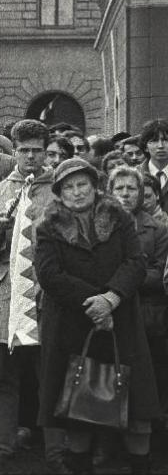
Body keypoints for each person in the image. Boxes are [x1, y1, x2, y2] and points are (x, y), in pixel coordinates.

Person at [35, 158, 159, 475]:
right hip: (72, 328)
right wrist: (94, 303)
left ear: (95, 186)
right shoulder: (47, 227)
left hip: (122, 325)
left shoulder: (118, 218)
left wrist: (111, 298)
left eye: (83, 185)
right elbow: (50, 275)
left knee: (136, 414)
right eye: (69, 187)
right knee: (79, 411)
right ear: (59, 193)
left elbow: (136, 262)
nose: (77, 192)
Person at [0, 118, 64, 471]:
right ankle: (5, 449)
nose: (29, 157)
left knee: (50, 374)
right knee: (2, 378)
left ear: (45, 151)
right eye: (23, 150)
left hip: (45, 299)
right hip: (3, 300)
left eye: (36, 150)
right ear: (15, 150)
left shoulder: (57, 190)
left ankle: (55, 452)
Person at [108, 166, 168, 415]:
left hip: (146, 316)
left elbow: (158, 275)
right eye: (119, 188)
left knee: (147, 376)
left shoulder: (158, 229)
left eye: (131, 188)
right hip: (109, 314)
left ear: (141, 193)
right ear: (109, 193)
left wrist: (121, 279)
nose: (125, 193)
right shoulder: (98, 226)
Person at [140, 119, 168, 213]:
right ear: (145, 147)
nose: (160, 146)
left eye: (165, 140)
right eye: (154, 141)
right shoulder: (135, 175)